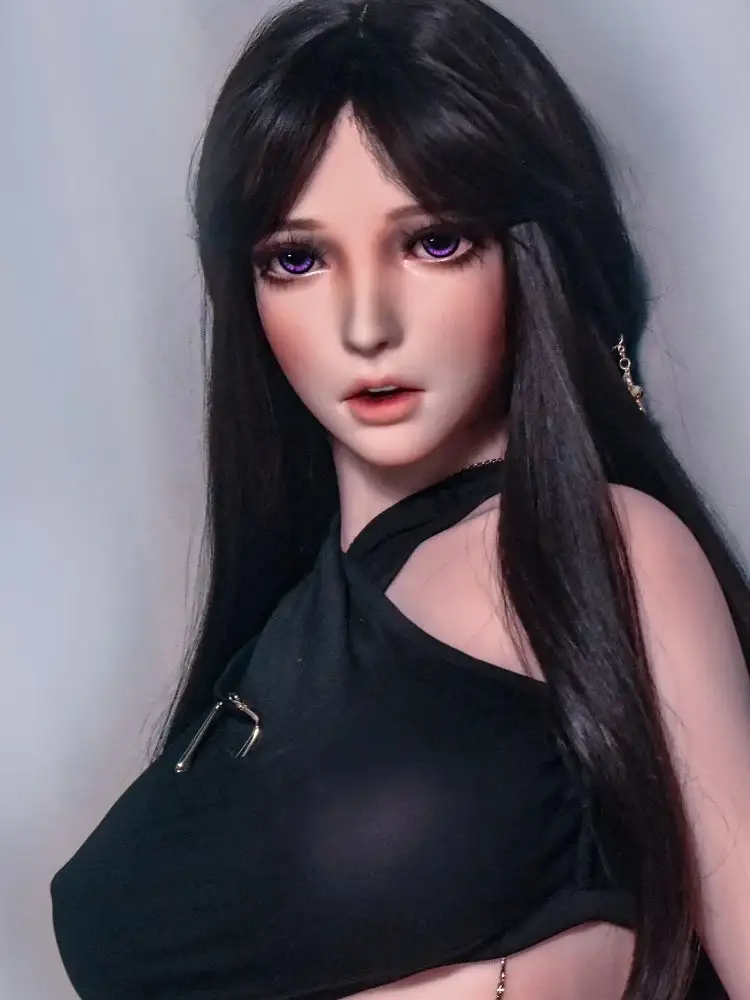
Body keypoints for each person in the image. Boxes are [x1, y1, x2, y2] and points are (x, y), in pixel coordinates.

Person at [50, 1, 750, 998]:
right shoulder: (277, 642)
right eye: (298, 259)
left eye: (433, 242)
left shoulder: (596, 550)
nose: (366, 324)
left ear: (530, 254)